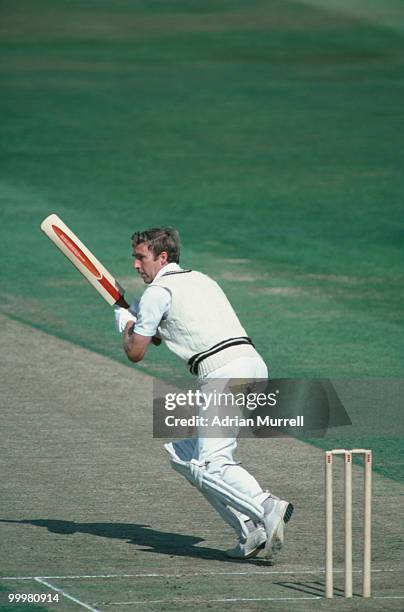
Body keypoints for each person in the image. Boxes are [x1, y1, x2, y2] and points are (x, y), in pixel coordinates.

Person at [114, 227, 293, 560]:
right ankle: (250, 533)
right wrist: (136, 319)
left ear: (162, 256)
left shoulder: (157, 292)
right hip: (252, 365)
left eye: (141, 257)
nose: (136, 265)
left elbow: (136, 351)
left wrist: (125, 324)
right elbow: (159, 333)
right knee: (185, 456)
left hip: (223, 373)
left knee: (211, 464)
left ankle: (266, 506)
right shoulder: (202, 279)